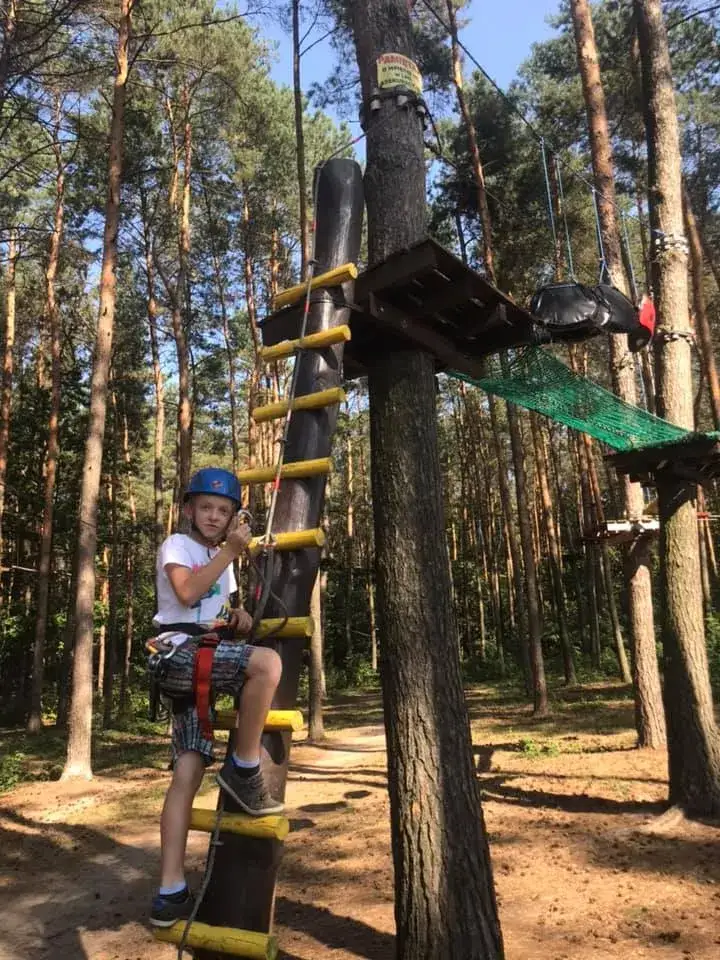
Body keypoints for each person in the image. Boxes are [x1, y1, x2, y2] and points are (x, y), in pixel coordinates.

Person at [149, 467, 283, 928]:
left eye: (223, 511)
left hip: (201, 658)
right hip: (181, 657)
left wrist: (238, 614)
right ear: (189, 509)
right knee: (267, 664)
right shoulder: (177, 546)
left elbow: (216, 607)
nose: (213, 516)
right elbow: (186, 592)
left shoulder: (220, 558)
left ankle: (170, 892)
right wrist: (229, 551)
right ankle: (244, 767)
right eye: (205, 507)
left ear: (231, 517)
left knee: (187, 770)